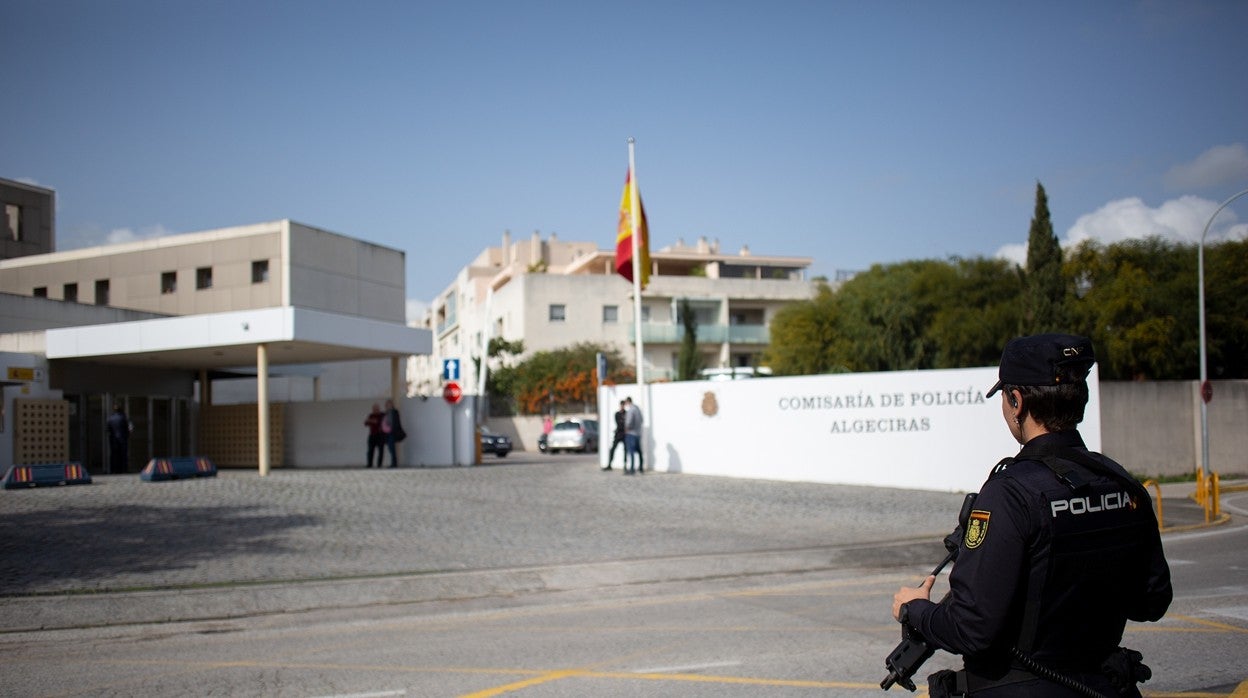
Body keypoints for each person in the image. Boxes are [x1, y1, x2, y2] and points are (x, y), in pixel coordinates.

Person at [891, 334, 1172, 697]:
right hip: (1106, 686)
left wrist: (915, 610)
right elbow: (1152, 602)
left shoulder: (1009, 495)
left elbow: (972, 629)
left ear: (1016, 401)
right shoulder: (1122, 484)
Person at [106, 402, 131, 474]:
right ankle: (124, 470)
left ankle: (113, 470)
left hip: (113, 440)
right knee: (123, 455)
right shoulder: (124, 418)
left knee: (114, 455)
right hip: (123, 439)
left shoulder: (110, 418)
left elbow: (108, 429)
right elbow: (130, 428)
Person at [381, 399, 405, 468]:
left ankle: (394, 463)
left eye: (389, 404)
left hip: (392, 432)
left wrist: (394, 430)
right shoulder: (386, 413)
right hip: (387, 433)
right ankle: (393, 463)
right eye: (387, 404)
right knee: (390, 448)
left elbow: (396, 422)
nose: (388, 406)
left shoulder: (394, 412)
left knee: (392, 448)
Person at [623, 396, 644, 474]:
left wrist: (627, 428)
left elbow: (629, 421)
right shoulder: (638, 409)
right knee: (639, 451)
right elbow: (642, 420)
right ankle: (641, 467)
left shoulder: (631, 410)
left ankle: (632, 469)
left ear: (628, 402)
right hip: (638, 433)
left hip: (631, 433)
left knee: (631, 451)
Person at [604, 400, 627, 470]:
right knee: (613, 449)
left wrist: (622, 423)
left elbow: (624, 423)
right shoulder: (617, 414)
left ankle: (625, 465)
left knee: (626, 450)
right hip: (618, 434)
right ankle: (609, 464)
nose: (622, 407)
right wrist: (622, 422)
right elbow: (619, 423)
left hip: (624, 434)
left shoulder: (626, 413)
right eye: (621, 405)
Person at [364, 403, 384, 468]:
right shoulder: (371, 415)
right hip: (372, 435)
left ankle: (379, 465)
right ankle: (369, 464)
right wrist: (371, 421)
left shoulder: (382, 415)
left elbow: (379, 422)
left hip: (380, 435)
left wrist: (372, 421)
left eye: (376, 409)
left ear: (379, 409)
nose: (375, 410)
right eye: (374, 409)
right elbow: (366, 423)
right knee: (370, 451)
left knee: (381, 451)